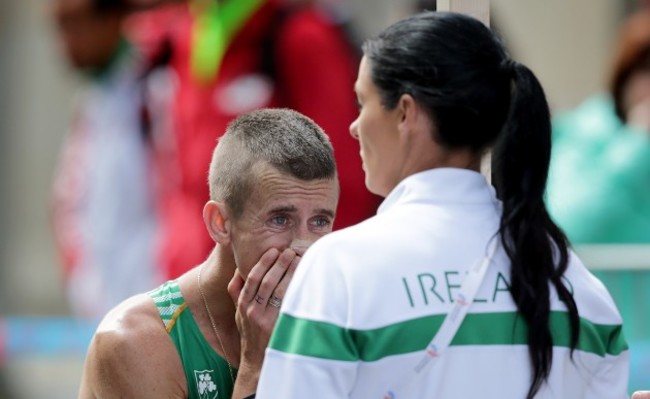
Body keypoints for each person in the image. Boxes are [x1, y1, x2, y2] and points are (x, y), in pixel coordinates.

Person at [256, 12, 629, 398]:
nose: (354, 125)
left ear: (405, 113)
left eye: (362, 102)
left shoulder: (339, 267)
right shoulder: (569, 279)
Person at [78, 108, 339, 398]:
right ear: (221, 223)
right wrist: (256, 366)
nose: (302, 246)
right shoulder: (134, 342)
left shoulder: (333, 327)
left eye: (319, 222)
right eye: (280, 219)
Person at [126, 0, 380, 281]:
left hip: (277, 296)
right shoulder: (176, 40)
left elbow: (343, 184)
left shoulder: (297, 35)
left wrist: (301, 294)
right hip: (194, 291)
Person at [545, 7, 650, 392]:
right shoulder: (583, 134)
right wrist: (639, 143)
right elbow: (569, 223)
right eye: (643, 69)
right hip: (597, 346)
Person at [50, 0, 162, 318]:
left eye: (73, 25)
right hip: (102, 311)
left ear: (115, 18)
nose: (64, 44)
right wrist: (80, 280)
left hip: (163, 309)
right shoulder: (91, 103)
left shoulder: (158, 88)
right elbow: (67, 203)